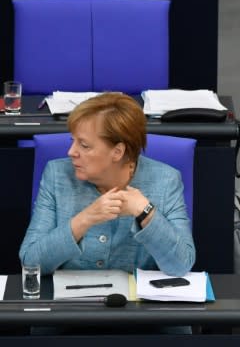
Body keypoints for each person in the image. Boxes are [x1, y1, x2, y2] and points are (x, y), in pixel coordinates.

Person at [19, 92, 195, 277]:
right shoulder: (57, 175)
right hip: (73, 303)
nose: (71, 152)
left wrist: (146, 212)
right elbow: (30, 262)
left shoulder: (166, 181)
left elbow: (181, 265)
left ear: (117, 152)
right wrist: (84, 219)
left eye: (84, 146)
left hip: (135, 304)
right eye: (73, 141)